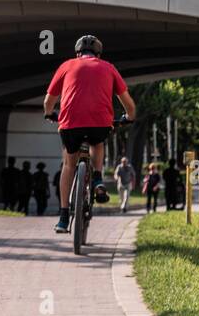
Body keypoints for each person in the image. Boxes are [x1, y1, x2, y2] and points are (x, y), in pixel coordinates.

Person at [44, 33, 136, 235]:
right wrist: (128, 117)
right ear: (98, 55)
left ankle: (63, 216)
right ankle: (97, 178)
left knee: (69, 164)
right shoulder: (108, 67)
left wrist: (50, 114)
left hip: (70, 125)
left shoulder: (66, 66)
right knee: (98, 141)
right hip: (99, 124)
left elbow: (48, 101)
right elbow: (129, 104)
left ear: (78, 53)